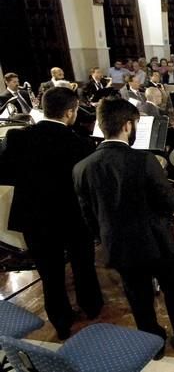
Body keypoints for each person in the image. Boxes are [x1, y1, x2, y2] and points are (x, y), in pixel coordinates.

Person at [72, 98, 174, 355]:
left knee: (138, 298)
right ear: (127, 126)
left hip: (119, 246)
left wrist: (106, 238)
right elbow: (168, 203)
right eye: (135, 124)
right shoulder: (144, 161)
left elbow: (88, 215)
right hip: (156, 243)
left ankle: (152, 344)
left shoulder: (82, 168)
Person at [0, 87, 103, 340]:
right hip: (72, 217)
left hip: (34, 217)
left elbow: (4, 174)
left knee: (50, 273)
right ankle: (91, 307)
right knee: (82, 265)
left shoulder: (17, 138)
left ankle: (61, 321)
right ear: (70, 112)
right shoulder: (80, 144)